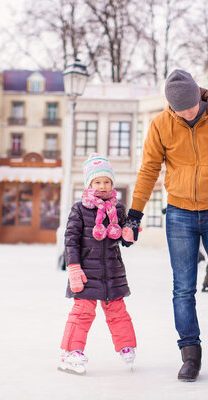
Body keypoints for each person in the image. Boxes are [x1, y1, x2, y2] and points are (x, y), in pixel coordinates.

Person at [123, 69, 208, 382]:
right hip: (179, 213)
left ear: (199, 95)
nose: (186, 113)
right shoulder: (161, 124)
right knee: (183, 288)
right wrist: (135, 215)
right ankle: (190, 355)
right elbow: (148, 171)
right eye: (179, 109)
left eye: (190, 107)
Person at [59, 153, 137, 375]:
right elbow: (71, 240)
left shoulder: (118, 209)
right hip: (85, 270)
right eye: (97, 182)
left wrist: (129, 234)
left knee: (117, 309)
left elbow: (122, 237)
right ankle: (70, 351)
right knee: (83, 310)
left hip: (112, 270)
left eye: (106, 181)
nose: (102, 186)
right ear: (89, 184)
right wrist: (73, 267)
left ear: (112, 183)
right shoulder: (80, 209)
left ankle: (126, 346)